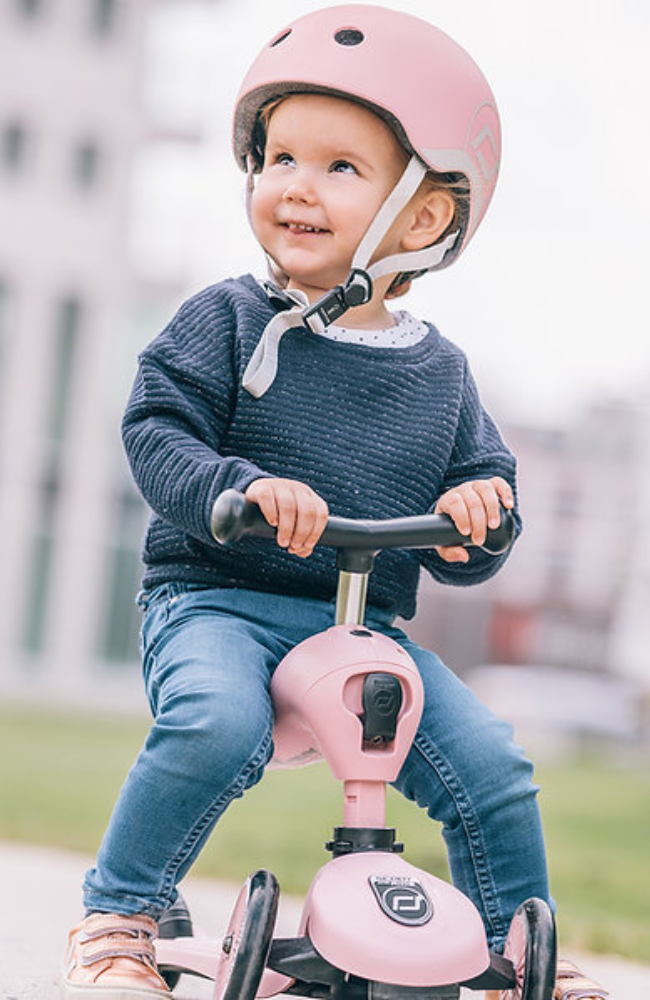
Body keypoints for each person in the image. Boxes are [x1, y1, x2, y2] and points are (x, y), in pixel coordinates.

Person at [61, 6, 610, 1000]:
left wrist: (480, 509)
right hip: (214, 605)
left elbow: (481, 528)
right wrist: (236, 488)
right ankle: (120, 914)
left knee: (488, 762)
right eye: (275, 157)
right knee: (214, 722)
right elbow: (154, 431)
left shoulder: (440, 373)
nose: (292, 186)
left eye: (339, 167)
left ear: (424, 215)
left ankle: (517, 954)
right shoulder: (226, 321)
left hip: (362, 629)